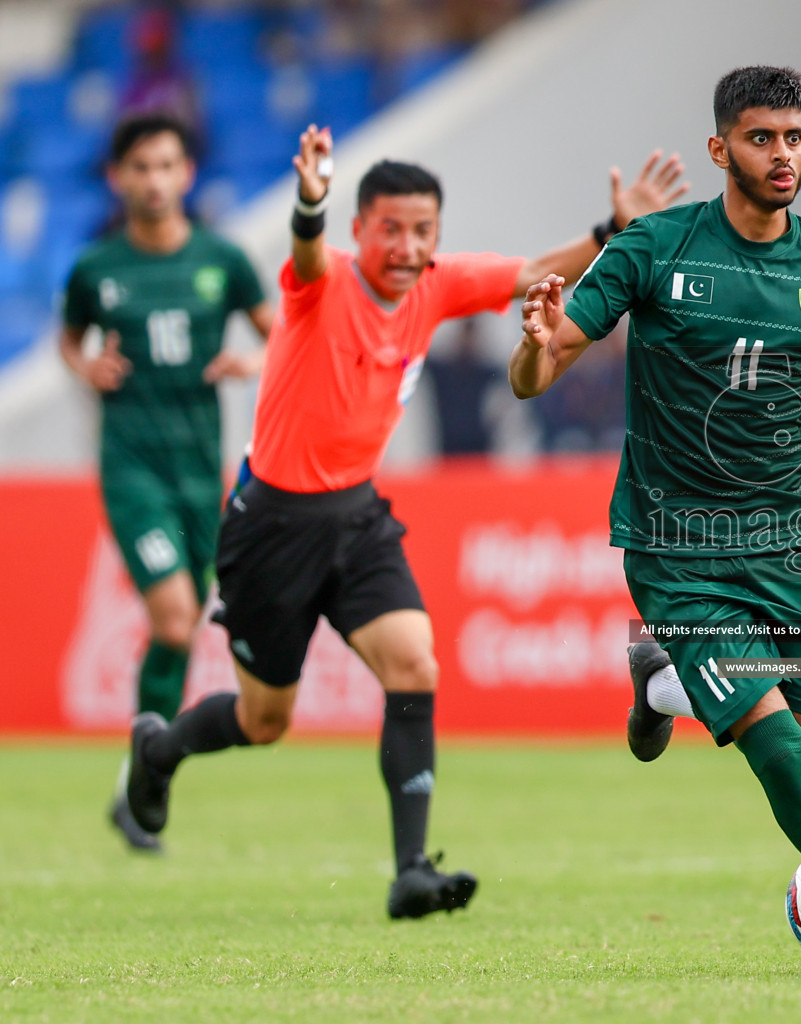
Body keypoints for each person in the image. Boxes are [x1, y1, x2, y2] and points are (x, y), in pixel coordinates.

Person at [125, 124, 688, 918]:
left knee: (415, 664)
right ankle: (159, 747)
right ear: (361, 230)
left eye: (422, 229)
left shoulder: (438, 284)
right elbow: (308, 253)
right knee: (264, 720)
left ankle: (411, 870)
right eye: (389, 228)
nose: (406, 244)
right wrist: (310, 202)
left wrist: (609, 231)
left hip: (356, 516)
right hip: (270, 528)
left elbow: (530, 272)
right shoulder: (319, 281)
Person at [509, 66, 801, 967]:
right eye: (762, 138)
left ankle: (662, 683)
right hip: (675, 548)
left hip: (785, 544)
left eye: (794, 137)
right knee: (779, 746)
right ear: (722, 150)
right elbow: (541, 369)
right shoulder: (652, 249)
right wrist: (532, 346)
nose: (782, 154)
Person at [60, 113, 273, 854]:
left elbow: (282, 333)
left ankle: (140, 777)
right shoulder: (97, 268)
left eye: (166, 165)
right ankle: (145, 772)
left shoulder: (224, 260)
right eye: (140, 167)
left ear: (187, 174)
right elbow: (69, 337)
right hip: (133, 468)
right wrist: (84, 366)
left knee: (179, 630)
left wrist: (255, 361)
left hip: (198, 473)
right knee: (177, 619)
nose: (154, 180)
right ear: (119, 178)